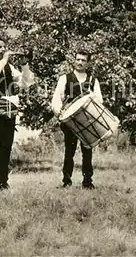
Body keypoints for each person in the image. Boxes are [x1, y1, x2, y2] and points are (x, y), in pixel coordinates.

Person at [0, 37, 34, 191]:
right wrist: (4, 61)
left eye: (4, 47)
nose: (2, 50)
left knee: (6, 147)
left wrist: (24, 65)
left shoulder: (9, 66)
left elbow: (26, 83)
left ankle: (3, 182)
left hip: (10, 109)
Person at [51, 50, 102, 189]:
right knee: (69, 152)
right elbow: (57, 99)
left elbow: (99, 101)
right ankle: (66, 181)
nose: (80, 62)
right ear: (74, 60)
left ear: (88, 63)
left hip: (87, 122)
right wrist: (60, 115)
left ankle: (88, 182)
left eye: (83, 60)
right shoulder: (65, 78)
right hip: (70, 122)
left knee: (87, 152)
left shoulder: (93, 80)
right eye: (78, 59)